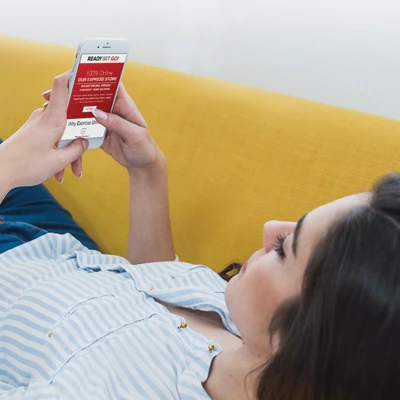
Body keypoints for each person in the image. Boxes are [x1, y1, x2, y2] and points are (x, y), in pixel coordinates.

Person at [0, 72, 399, 400]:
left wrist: (10, 166)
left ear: (310, 342)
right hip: (55, 244)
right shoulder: (246, 327)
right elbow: (154, 278)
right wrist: (148, 170)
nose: (269, 229)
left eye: (284, 249)